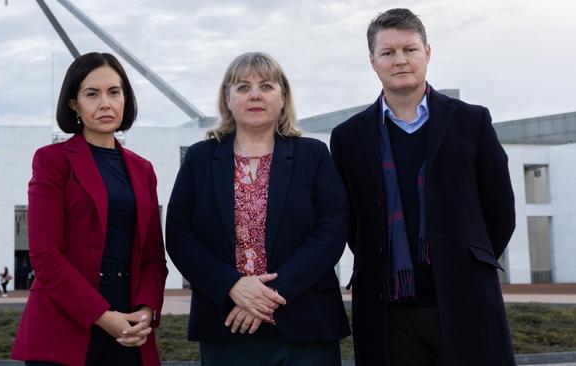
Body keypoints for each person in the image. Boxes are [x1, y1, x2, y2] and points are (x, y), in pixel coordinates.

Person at [330, 8, 516, 366]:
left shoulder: (471, 121)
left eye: (409, 49)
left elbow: (499, 209)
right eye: (388, 52)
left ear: (427, 53)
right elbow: (351, 222)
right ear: (373, 61)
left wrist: (464, 256)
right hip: (388, 309)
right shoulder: (348, 137)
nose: (400, 60)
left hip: (464, 299)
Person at [166, 52, 350, 366]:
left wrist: (270, 293)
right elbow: (180, 234)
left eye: (266, 86)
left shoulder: (313, 155)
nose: (255, 95)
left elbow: (331, 230)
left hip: (306, 325)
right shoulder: (200, 158)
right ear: (227, 97)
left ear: (282, 97)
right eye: (243, 87)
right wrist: (232, 286)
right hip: (226, 322)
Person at [11, 52, 168, 366]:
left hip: (131, 323)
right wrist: (103, 316)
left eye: (114, 92)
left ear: (126, 98)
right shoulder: (52, 161)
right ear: (74, 104)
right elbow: (45, 255)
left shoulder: (143, 170)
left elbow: (152, 256)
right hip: (66, 321)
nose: (105, 103)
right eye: (92, 94)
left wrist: (147, 312)